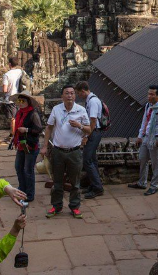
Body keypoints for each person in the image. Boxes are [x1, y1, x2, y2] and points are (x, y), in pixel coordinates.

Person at [42, 85, 91, 219]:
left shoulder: (80, 110)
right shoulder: (57, 109)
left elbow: (89, 129)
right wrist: (45, 146)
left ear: (75, 96)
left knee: (75, 182)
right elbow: (49, 128)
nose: (69, 95)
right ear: (62, 96)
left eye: (72, 93)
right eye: (66, 93)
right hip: (58, 151)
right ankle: (56, 206)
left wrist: (79, 125)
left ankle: (75, 207)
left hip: (74, 152)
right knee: (57, 181)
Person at [128, 85, 158, 196]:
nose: (149, 96)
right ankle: (142, 182)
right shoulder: (148, 106)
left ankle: (154, 186)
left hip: (156, 138)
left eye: (152, 94)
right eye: (148, 93)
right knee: (142, 159)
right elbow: (145, 121)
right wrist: (140, 135)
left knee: (155, 163)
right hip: (147, 137)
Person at [75, 81, 104, 199]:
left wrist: (86, 136)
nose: (78, 96)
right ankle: (94, 184)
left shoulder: (92, 101)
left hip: (93, 132)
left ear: (83, 91)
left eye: (78, 93)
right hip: (94, 132)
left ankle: (98, 187)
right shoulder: (91, 100)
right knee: (92, 159)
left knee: (87, 160)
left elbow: (92, 121)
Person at [11, 92, 42, 202]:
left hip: (31, 145)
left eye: (23, 101)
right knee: (18, 167)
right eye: (19, 101)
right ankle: (22, 189)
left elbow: (39, 129)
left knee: (28, 170)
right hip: (21, 144)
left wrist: (27, 130)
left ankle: (29, 194)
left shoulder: (33, 114)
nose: (20, 103)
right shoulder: (19, 113)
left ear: (28, 102)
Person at [2, 57, 23, 142]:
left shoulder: (7, 75)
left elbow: (5, 90)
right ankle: (17, 133)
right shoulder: (20, 72)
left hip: (11, 98)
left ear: (10, 64)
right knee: (19, 115)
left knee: (13, 118)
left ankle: (13, 135)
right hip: (19, 97)